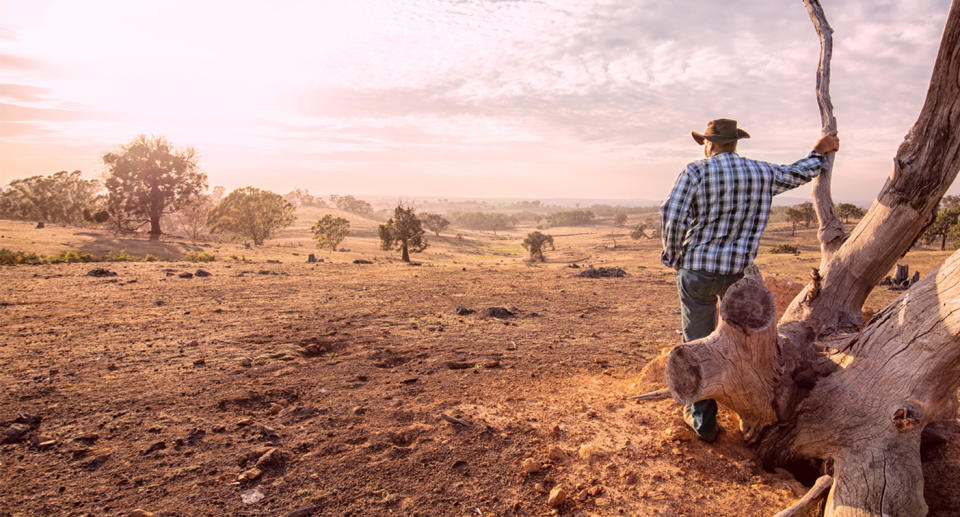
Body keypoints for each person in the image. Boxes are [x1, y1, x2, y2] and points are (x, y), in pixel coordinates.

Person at [659, 118, 839, 441]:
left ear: (710, 144)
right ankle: (751, 409)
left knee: (697, 340)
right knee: (738, 346)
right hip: (737, 278)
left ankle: (703, 423)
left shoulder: (695, 172)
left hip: (697, 272)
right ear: (735, 143)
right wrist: (819, 151)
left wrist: (674, 257)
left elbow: (671, 215)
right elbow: (798, 173)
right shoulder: (760, 172)